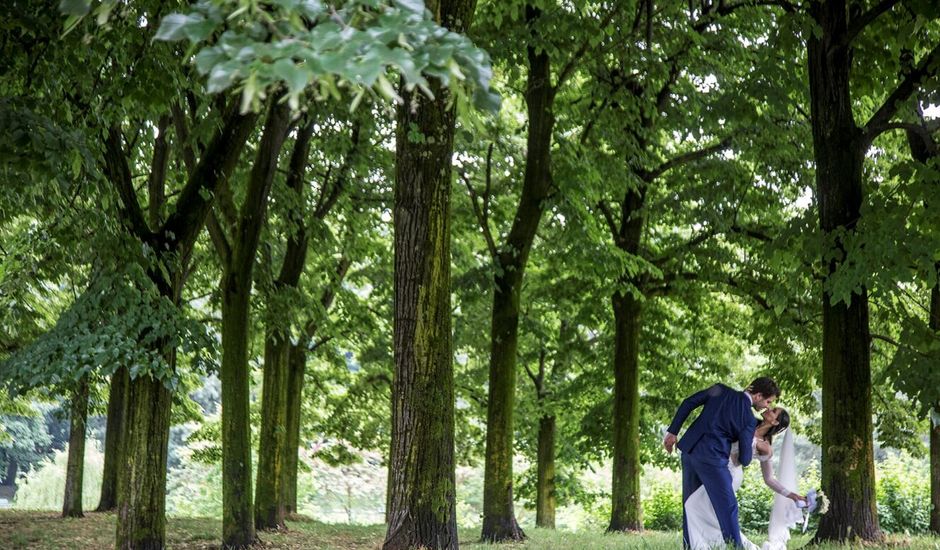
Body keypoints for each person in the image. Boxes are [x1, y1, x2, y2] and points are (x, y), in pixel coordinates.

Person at [663, 377, 779, 549]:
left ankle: (689, 546)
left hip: (689, 451)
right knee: (728, 508)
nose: (767, 406)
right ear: (758, 396)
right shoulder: (747, 418)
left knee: (689, 505)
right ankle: (736, 548)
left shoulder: (720, 390)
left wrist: (672, 432)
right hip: (713, 460)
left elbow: (689, 402)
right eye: (768, 401)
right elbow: (746, 459)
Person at [683, 407, 807, 549]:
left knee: (695, 505)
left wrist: (792, 495)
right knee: (699, 507)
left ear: (774, 422)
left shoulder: (765, 446)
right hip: (716, 468)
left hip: (731, 474)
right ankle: (710, 544)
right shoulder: (748, 423)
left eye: (773, 411)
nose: (768, 408)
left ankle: (712, 545)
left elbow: (769, 479)